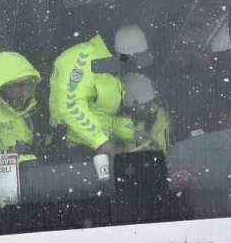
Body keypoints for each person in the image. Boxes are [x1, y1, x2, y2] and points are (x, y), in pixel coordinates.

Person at [49, 24, 157, 158]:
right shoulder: (84, 57)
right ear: (122, 55)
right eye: (131, 62)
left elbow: (103, 117)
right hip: (73, 151)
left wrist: (132, 133)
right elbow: (70, 104)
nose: (131, 68)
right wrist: (100, 141)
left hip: (95, 150)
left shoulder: (111, 67)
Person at [116, 73, 172, 152]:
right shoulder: (117, 125)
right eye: (145, 105)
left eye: (149, 103)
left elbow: (164, 150)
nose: (149, 108)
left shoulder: (161, 116)